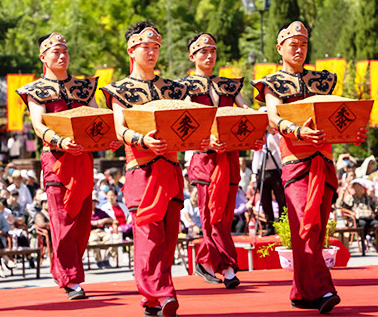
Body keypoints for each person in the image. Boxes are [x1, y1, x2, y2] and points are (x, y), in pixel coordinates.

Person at [252, 21, 367, 314]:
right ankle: (323, 288)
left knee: (314, 231)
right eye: (293, 44)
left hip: (324, 163)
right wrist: (298, 131)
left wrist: (352, 132)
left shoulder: (323, 80)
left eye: (303, 44)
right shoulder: (271, 83)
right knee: (305, 225)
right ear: (279, 49)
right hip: (295, 162)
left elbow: (335, 116)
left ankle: (302, 293)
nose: (299, 49)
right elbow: (273, 118)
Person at [101, 21, 207, 317]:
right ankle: (162, 295)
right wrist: (143, 140)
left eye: (155, 47)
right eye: (145, 47)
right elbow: (120, 128)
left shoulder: (173, 88)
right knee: (148, 239)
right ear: (131, 50)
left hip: (171, 170)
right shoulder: (118, 90)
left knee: (168, 241)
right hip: (142, 171)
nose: (151, 52)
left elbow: (188, 123)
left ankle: (152, 300)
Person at [17, 32, 120, 300]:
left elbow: (97, 117)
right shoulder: (36, 90)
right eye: (55, 52)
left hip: (83, 160)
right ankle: (70, 278)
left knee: (83, 224)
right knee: (62, 223)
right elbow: (39, 125)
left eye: (65, 51)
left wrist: (110, 137)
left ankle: (69, 271)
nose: (62, 56)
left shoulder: (83, 87)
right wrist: (60, 142)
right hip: (56, 161)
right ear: (43, 57)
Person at [180, 32, 264, 288]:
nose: (209, 56)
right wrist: (204, 139)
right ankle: (227, 267)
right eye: (203, 51)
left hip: (229, 157)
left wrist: (258, 126)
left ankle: (205, 263)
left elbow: (245, 112)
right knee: (210, 215)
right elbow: (183, 122)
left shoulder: (229, 85)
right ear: (192, 56)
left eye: (212, 51)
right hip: (204, 159)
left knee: (224, 216)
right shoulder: (185, 87)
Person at [251, 126, 285, 236]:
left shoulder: (274, 134)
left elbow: (278, 144)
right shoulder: (257, 134)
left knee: (281, 199)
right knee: (265, 200)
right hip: (262, 170)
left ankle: (282, 226)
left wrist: (269, 129)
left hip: (276, 169)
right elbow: (255, 153)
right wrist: (254, 172)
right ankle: (269, 226)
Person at [89, 193, 114, 268]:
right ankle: (98, 260)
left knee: (111, 239)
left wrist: (104, 220)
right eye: (91, 201)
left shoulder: (100, 211)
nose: (93, 203)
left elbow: (112, 220)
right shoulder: (85, 212)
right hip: (91, 232)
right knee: (93, 240)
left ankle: (106, 259)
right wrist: (93, 223)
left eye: (94, 201)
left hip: (102, 231)